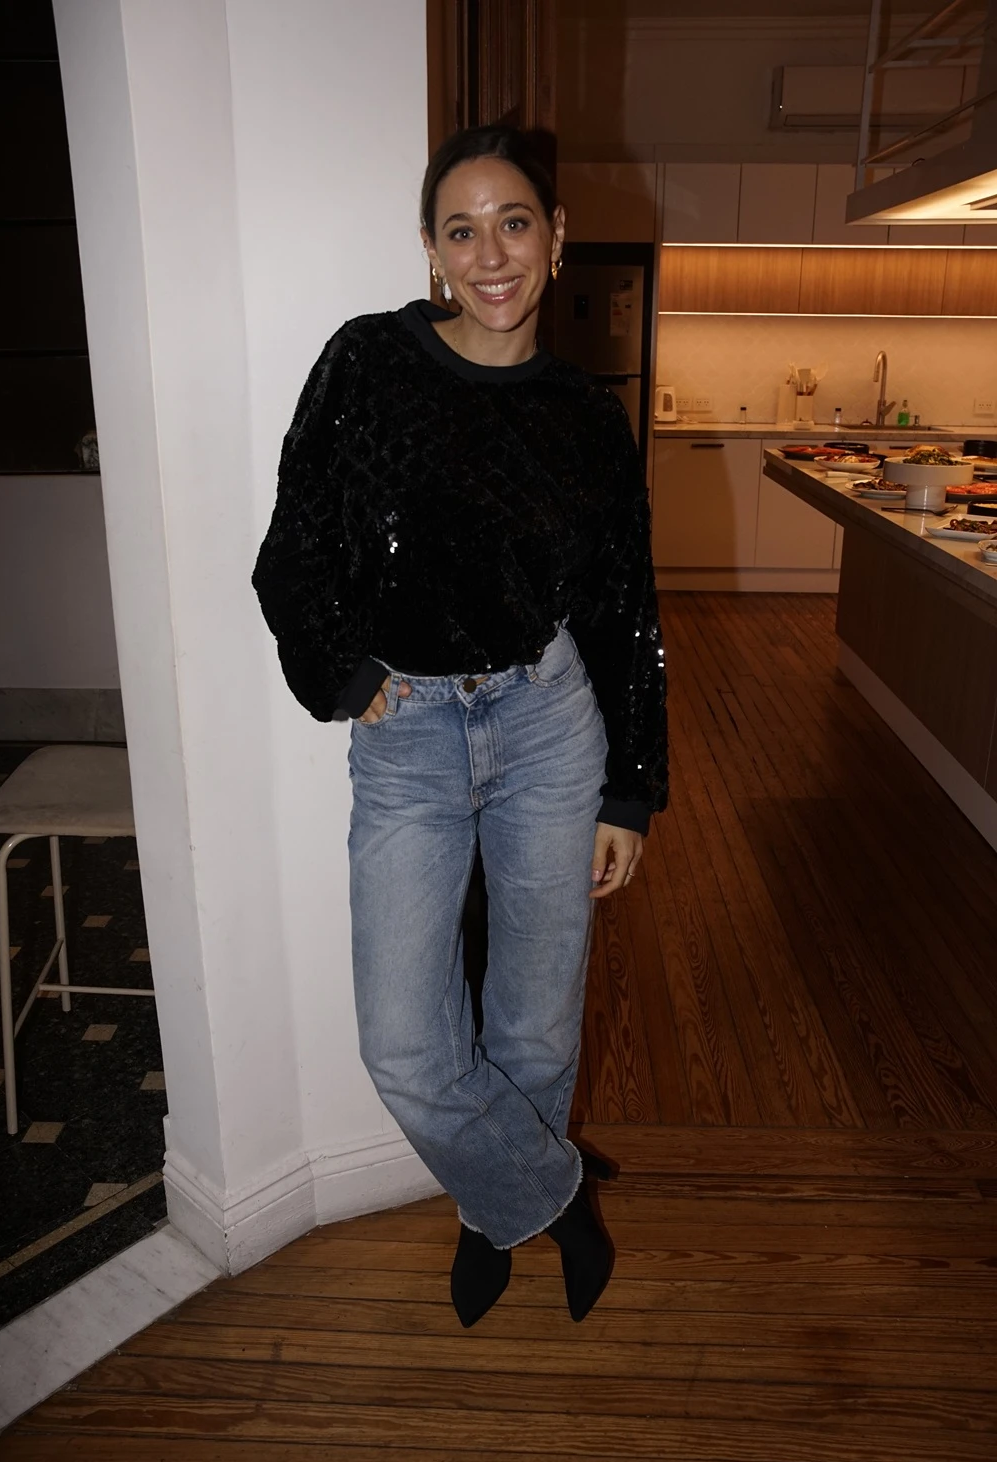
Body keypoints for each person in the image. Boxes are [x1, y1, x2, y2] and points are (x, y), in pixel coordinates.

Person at [252, 124, 668, 1326]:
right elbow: (295, 545)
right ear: (431, 250)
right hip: (411, 740)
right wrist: (340, 673)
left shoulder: (585, 417)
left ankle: (489, 1215)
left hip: (549, 726)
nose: (491, 253)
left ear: (555, 237)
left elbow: (625, 610)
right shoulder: (369, 362)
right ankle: (552, 1196)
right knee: (403, 1043)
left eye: (514, 222)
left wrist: (628, 792)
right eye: (461, 229)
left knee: (534, 1018)